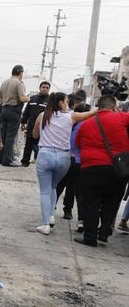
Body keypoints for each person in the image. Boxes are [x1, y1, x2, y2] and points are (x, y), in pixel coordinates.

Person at [31, 92, 96, 235]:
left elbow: (34, 135)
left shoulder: (42, 116)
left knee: (45, 191)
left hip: (45, 155)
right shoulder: (71, 117)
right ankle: (51, 216)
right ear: (60, 103)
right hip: (63, 158)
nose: (67, 103)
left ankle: (45, 224)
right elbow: (89, 114)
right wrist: (101, 107)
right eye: (66, 101)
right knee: (54, 187)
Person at [74, 95, 129, 246]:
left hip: (91, 168)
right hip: (118, 169)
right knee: (111, 202)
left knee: (90, 202)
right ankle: (104, 233)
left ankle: (90, 237)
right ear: (113, 106)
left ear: (98, 107)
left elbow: (77, 143)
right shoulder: (122, 118)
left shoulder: (86, 123)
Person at [56, 90, 90, 229]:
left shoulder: (71, 122)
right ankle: (72, 214)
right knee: (75, 189)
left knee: (60, 185)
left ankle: (52, 208)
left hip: (68, 157)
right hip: (79, 161)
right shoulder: (86, 124)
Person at [0, 65, 30, 166]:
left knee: (3, 135)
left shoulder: (4, 82)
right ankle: (8, 160)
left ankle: (0, 158)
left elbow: (0, 98)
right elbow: (22, 98)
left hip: (4, 110)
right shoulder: (19, 83)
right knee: (11, 137)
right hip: (14, 111)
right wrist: (28, 98)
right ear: (21, 73)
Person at [20, 81, 51, 166]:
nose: (45, 89)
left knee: (41, 146)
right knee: (28, 145)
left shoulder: (50, 101)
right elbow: (26, 112)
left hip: (44, 128)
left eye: (47, 88)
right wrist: (23, 122)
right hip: (31, 126)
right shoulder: (32, 98)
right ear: (39, 88)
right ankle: (25, 162)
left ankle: (39, 162)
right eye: (43, 87)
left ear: (49, 89)